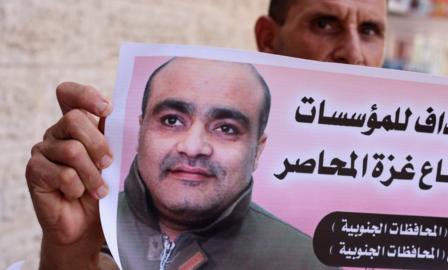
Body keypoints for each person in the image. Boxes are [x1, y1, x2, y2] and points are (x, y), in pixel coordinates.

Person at [25, 0, 387, 269]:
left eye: (370, 30)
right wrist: (68, 250)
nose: (354, 53)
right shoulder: (103, 214)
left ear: (258, 149)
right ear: (268, 37)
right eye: (324, 23)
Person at [116, 57, 331, 269]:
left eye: (226, 128)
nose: (193, 147)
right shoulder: (90, 227)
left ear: (258, 150)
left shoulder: (304, 262)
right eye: (172, 120)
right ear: (141, 131)